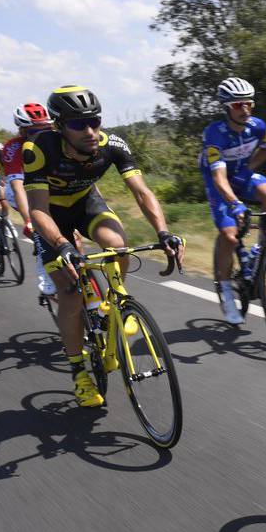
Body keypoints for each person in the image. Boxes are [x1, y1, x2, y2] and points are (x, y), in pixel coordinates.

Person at [23, 86, 184, 408]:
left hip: (86, 205)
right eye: (78, 124)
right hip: (52, 220)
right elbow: (38, 210)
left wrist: (164, 232)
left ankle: (116, 304)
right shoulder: (39, 149)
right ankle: (79, 373)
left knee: (118, 247)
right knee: (70, 294)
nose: (90, 131)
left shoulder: (113, 146)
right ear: (58, 126)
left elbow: (142, 192)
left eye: (94, 121)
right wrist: (62, 244)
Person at [200, 77, 266, 325]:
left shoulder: (257, 126)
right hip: (219, 182)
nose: (244, 110)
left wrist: (248, 168)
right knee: (230, 235)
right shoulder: (215, 134)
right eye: (237, 105)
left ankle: (260, 248)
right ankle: (226, 292)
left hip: (240, 175)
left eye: (248, 104)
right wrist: (235, 203)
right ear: (226, 107)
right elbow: (219, 178)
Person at [1, 102, 56, 295]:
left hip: (46, 187)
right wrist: (28, 221)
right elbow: (18, 188)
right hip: (21, 190)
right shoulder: (13, 147)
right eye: (35, 131)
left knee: (72, 237)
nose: (42, 135)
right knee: (40, 226)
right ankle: (45, 273)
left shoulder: (56, 140)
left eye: (47, 129)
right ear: (23, 131)